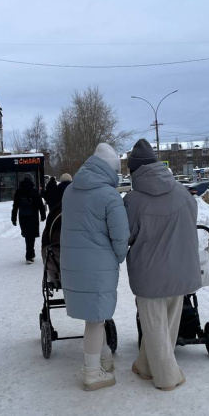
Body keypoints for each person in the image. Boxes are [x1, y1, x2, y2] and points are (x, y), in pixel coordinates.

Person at [123, 138, 201, 391]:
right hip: (181, 270)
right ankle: (145, 366)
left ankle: (167, 377)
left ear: (134, 170)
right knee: (167, 324)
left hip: (151, 273)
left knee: (154, 326)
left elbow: (126, 235)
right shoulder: (182, 192)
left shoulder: (133, 200)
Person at [60, 145, 129, 391]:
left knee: (95, 316)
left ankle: (105, 358)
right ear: (110, 169)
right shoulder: (109, 196)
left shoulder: (70, 191)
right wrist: (119, 257)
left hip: (72, 265)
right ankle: (92, 373)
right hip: (99, 266)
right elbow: (121, 236)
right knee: (97, 318)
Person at [11, 173, 46, 264]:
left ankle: (30, 253)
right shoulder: (34, 191)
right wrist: (43, 215)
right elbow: (40, 204)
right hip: (33, 216)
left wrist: (13, 218)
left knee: (27, 235)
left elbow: (15, 206)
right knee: (32, 235)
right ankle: (29, 255)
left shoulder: (19, 191)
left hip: (23, 216)